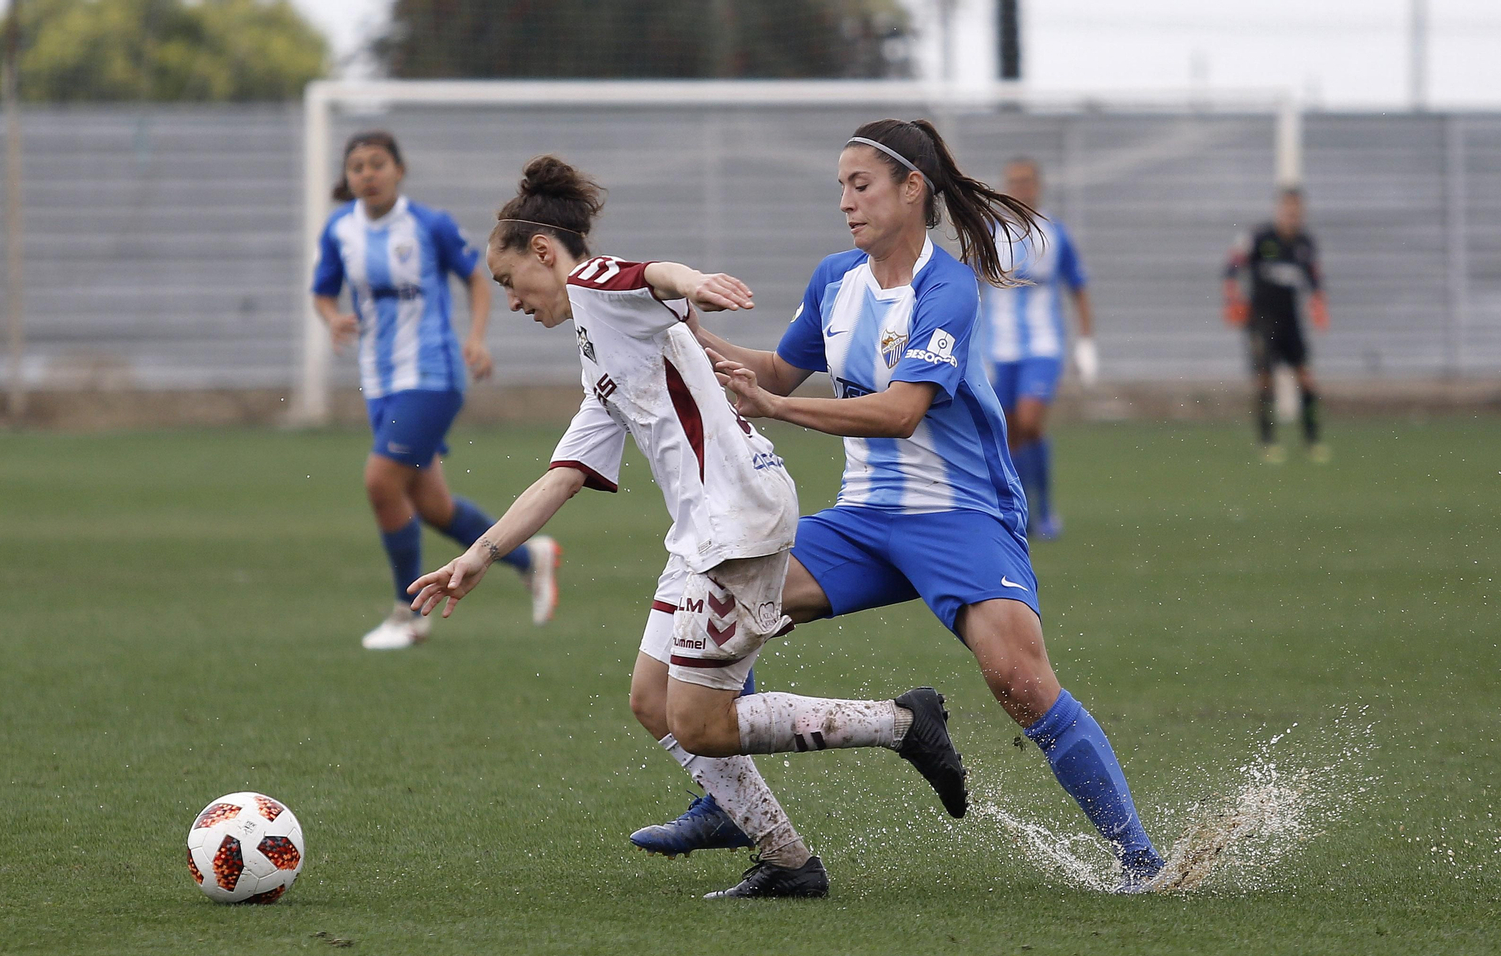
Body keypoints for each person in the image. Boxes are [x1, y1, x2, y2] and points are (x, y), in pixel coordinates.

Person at [407, 155, 969, 900]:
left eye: (509, 282)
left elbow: (647, 274)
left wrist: (693, 281)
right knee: (652, 700)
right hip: (702, 531)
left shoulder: (593, 286)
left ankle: (901, 723)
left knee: (701, 721)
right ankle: (787, 861)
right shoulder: (597, 350)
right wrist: (479, 557)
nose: (509, 300)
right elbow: (564, 474)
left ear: (543, 252)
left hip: (738, 518)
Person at [654, 119, 1165, 892]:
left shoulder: (947, 287)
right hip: (863, 519)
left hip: (961, 516)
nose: (845, 202)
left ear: (911, 189)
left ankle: (1142, 861)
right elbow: (775, 372)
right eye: (840, 188)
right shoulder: (834, 279)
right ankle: (727, 804)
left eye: (860, 185)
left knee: (1020, 684)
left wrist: (775, 407)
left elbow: (899, 411)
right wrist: (680, 325)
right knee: (724, 596)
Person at [311, 130, 559, 650]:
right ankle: (529, 558)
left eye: (377, 163)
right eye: (357, 166)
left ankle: (408, 615)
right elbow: (322, 292)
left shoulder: (428, 225)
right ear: (348, 177)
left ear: (398, 170)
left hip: (432, 375)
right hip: (379, 382)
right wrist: (333, 318)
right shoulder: (340, 230)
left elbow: (475, 277)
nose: (368, 174)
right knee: (432, 507)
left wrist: (475, 339)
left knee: (381, 483)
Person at [980, 157, 1095, 539]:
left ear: (1038, 185)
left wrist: (1086, 344)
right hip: (997, 349)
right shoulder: (989, 234)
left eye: (1027, 181)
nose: (1021, 188)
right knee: (1009, 433)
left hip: (1043, 346)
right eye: (1013, 181)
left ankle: (1045, 509)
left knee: (1030, 422)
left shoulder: (1055, 234)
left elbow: (1078, 287)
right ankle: (1022, 512)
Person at [1223, 187, 1331, 464]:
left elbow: (1315, 279)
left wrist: (1319, 304)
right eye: (1287, 210)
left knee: (1306, 378)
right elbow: (1232, 265)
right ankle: (1267, 441)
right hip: (1261, 321)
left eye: (1297, 211)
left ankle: (1313, 440)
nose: (1292, 216)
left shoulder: (1305, 245)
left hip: (1291, 322)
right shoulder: (1260, 237)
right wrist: (1232, 299)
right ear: (1279, 210)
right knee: (1265, 381)